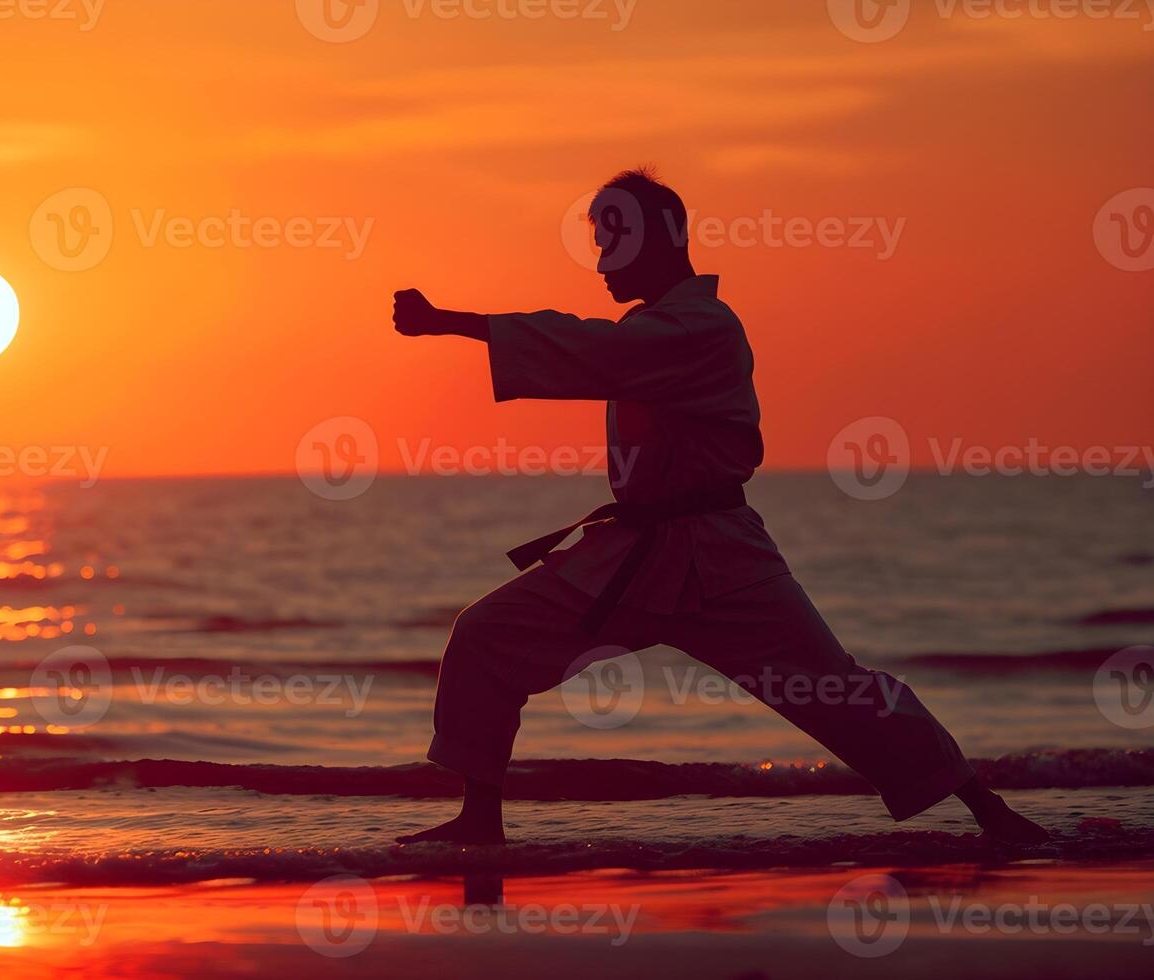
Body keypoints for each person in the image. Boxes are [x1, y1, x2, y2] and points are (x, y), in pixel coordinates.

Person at [390, 167, 1050, 846]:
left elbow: (595, 350)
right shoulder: (652, 326)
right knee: (485, 635)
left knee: (834, 690)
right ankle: (480, 819)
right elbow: (600, 350)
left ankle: (988, 810)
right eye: (598, 243)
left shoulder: (700, 328)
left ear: (664, 242)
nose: (601, 262)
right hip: (633, 558)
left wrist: (450, 323)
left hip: (721, 557)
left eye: (614, 242)